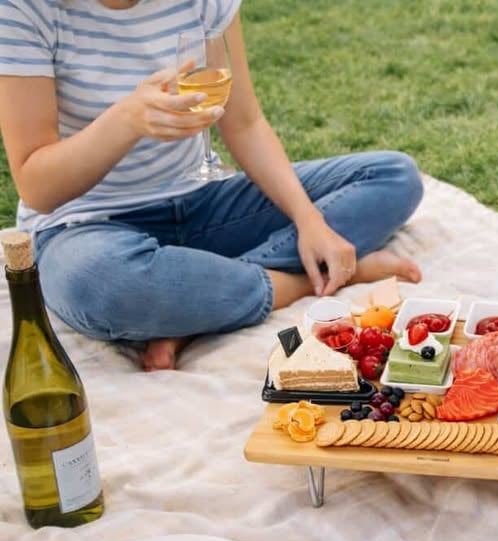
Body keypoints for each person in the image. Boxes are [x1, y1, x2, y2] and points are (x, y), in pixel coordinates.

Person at [0, 0, 423, 371]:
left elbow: (244, 121)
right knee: (100, 285)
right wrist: (125, 121)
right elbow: (37, 184)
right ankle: (301, 281)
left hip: (199, 203)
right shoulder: (24, 10)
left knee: (393, 176)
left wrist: (309, 220)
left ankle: (195, 303)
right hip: (87, 226)